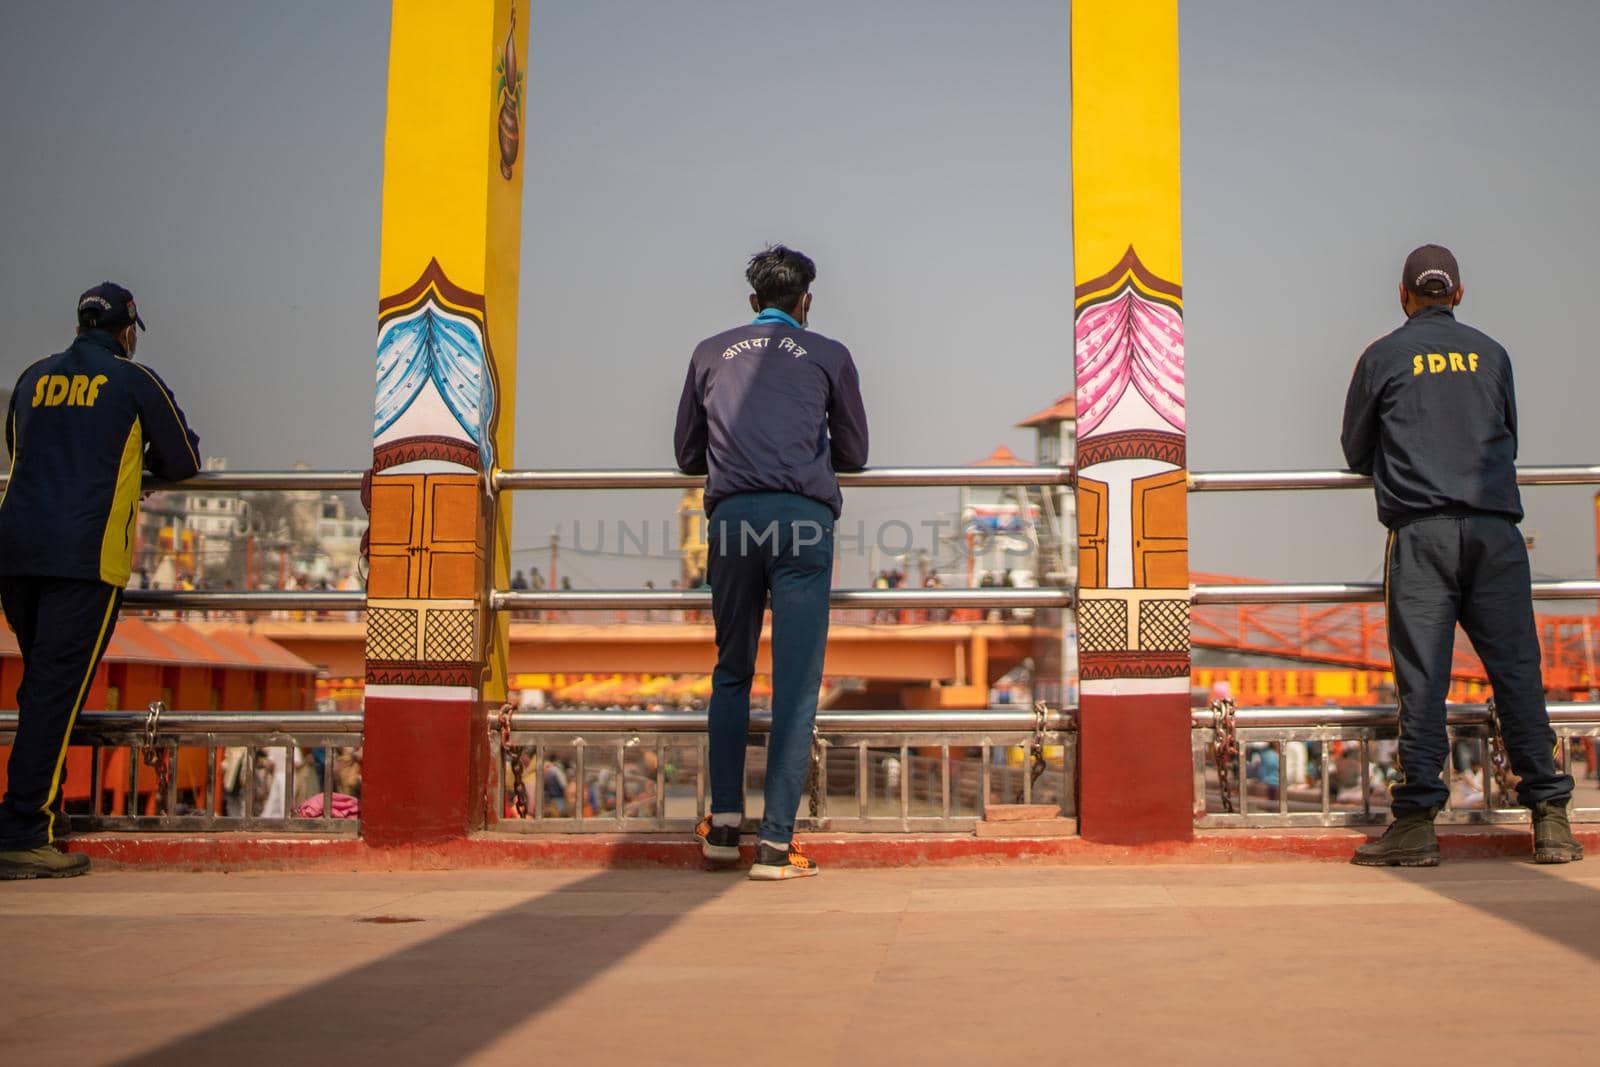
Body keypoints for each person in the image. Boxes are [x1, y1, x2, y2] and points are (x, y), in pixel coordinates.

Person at [1341, 244, 1579, 866]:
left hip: (1422, 535)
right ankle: (1551, 820)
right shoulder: (1493, 355)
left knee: (1423, 684)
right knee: (1518, 674)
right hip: (1497, 532)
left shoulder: (1383, 356)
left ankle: (1417, 825)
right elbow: (1510, 437)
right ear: (1459, 294)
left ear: (1403, 295)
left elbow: (1354, 451)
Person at [674, 245, 868, 880]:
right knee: (795, 686)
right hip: (803, 524)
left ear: (753, 303)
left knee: (731, 672)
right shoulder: (830, 355)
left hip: (731, 524)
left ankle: (724, 826)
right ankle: (778, 847)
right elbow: (856, 453)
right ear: (805, 302)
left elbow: (686, 454)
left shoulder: (708, 352)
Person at [0, 283, 201, 879]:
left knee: (38, 689)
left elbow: (17, 452)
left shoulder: (34, 377)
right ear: (128, 329)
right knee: (54, 696)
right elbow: (184, 459)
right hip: (83, 560)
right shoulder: (133, 380)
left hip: (15, 553)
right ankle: (22, 831)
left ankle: (42, 815)